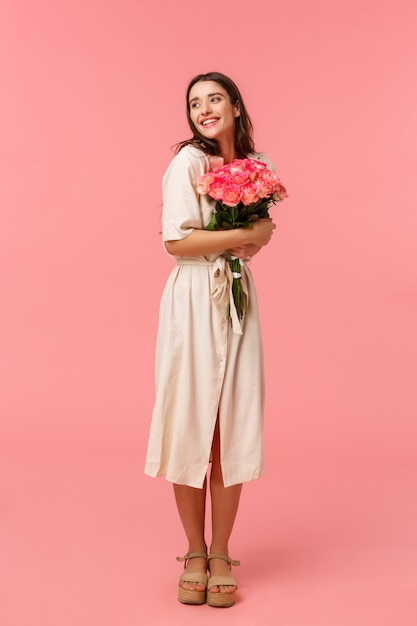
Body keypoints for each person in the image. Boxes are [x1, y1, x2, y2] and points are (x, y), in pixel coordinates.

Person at [144, 71, 277, 608]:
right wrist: (249, 234)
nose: (204, 109)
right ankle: (194, 551)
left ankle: (222, 550)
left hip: (236, 298)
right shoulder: (189, 162)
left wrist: (253, 240)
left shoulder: (252, 167)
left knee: (231, 424)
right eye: (195, 102)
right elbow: (177, 242)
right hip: (195, 300)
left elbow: (251, 241)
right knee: (190, 422)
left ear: (237, 106)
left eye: (214, 98)